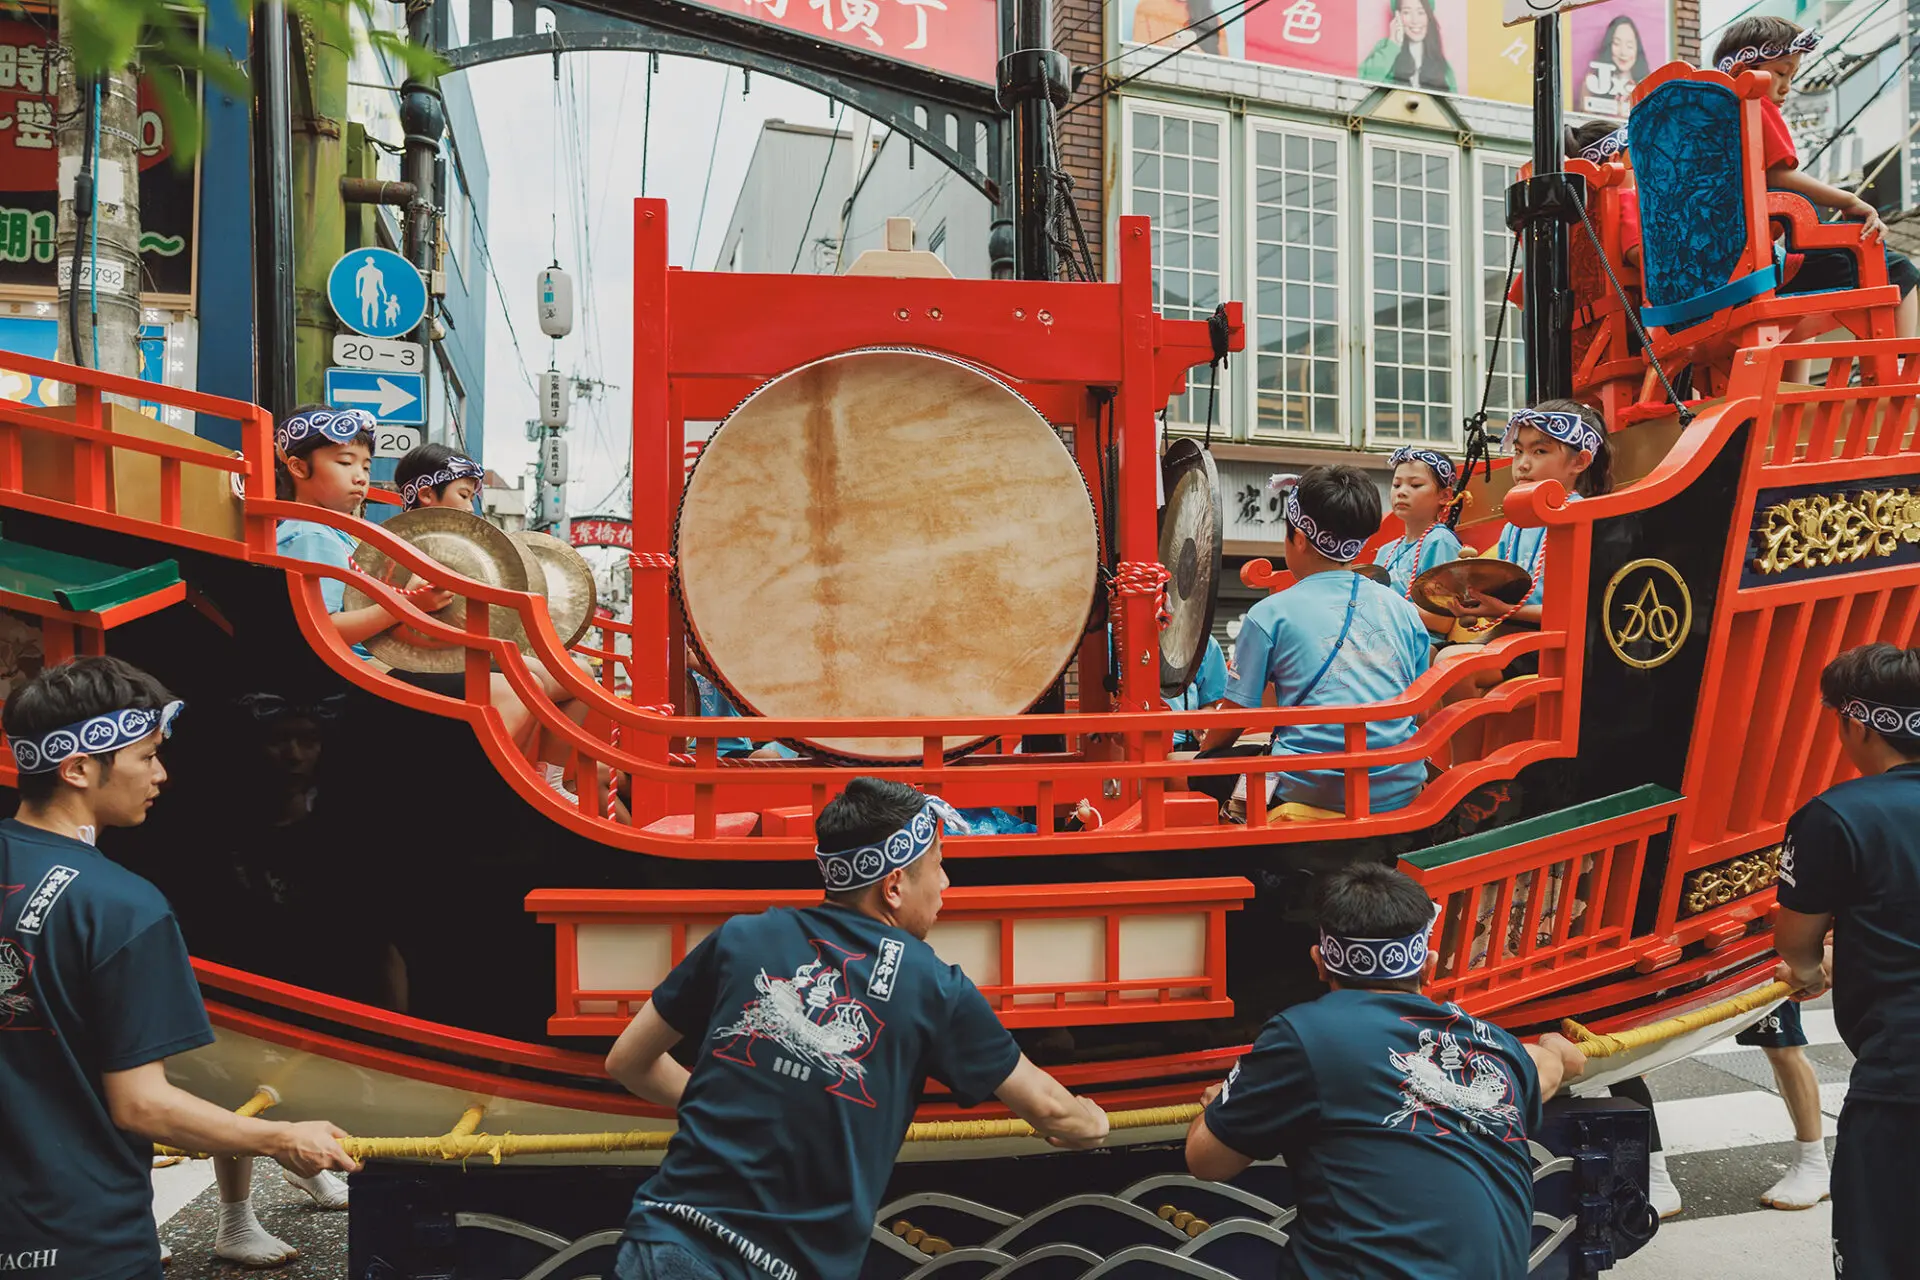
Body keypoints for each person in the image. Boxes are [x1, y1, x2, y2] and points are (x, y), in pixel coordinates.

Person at [604, 777, 1108, 1279]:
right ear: (893, 886)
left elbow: (627, 1061)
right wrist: (1092, 1125)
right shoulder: (932, 985)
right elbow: (1049, 1108)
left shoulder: (743, 936)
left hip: (662, 1238)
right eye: (937, 865)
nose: (946, 883)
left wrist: (733, 1106)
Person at [0, 657, 358, 1280]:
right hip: (81, 1238)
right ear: (79, 767)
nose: (161, 774)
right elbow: (143, 1107)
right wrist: (281, 1138)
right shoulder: (120, 905)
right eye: (145, 757)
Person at [1184, 862, 1586, 1280]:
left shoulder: (1305, 1035)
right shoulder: (1494, 1046)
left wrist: (1220, 1107)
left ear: (1319, 962)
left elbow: (1206, 1161)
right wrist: (1557, 1046)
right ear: (1429, 964)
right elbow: (1552, 1068)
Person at [1771, 642, 1920, 1278]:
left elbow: (1797, 950)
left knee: (1881, 1255)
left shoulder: (1837, 815)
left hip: (1904, 1079)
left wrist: (1809, 969)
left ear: (1857, 722)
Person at [1195, 465, 1433, 816]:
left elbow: (1234, 719)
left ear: (1301, 539)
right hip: (1397, 783)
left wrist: (1204, 754)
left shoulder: (1270, 613)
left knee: (1197, 772)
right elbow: (1419, 709)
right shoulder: (1404, 610)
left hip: (1311, 786)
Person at [1713, 17, 1920, 343]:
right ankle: (1901, 365)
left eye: (1791, 76)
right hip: (1758, 268)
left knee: (1795, 294)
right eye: (1781, 73)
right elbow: (1781, 174)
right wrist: (1850, 200)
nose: (1786, 87)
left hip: (1713, 270)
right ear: (1742, 70)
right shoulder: (1752, 104)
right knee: (1900, 270)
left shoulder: (1706, 126)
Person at [1446, 401, 1615, 635]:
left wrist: (1504, 609)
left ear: (1579, 462)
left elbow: (1583, 612)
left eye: (1539, 451)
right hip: (1514, 633)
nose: (1522, 465)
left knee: (1450, 660)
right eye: (1518, 451)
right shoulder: (1515, 524)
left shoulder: (1582, 520)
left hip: (1555, 643)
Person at [1732, 999, 1830, 1211]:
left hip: (1760, 969)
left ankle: (1813, 1162)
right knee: (1653, 1044)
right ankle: (1649, 1164)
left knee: (1781, 1047)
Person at [1372, 446, 1463, 635]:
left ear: (1445, 495)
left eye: (1415, 485)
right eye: (1396, 485)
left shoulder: (1440, 541)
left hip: (1420, 643)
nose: (1401, 492)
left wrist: (1383, 606)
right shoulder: (1385, 551)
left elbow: (1442, 620)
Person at [1360, 0, 1456, 94]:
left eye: (1421, 12)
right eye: (1406, 12)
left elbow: (1453, 103)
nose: (1415, 20)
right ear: (1397, 17)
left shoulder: (1441, 64)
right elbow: (1363, 83)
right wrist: (1393, 44)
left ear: (1429, 17)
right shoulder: (1386, 47)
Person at [1167, 633, 1228, 752]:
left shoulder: (1204, 642)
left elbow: (1208, 705)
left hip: (1184, 746)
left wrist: (1205, 729)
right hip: (1131, 745)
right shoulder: (1123, 642)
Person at [1582, 15, 1650, 115]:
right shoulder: (1592, 82)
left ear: (1637, 49)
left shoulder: (1648, 88)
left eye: (1629, 46)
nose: (1623, 52)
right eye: (1616, 43)